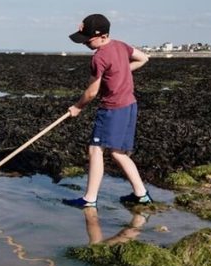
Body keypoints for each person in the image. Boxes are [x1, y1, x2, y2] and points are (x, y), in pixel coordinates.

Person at [63, 14, 151, 208]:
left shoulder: (99, 57)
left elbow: (92, 92)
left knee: (95, 149)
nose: (85, 42)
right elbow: (143, 58)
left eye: (88, 39)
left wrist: (77, 107)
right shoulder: (121, 46)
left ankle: (89, 199)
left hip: (113, 108)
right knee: (119, 153)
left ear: (102, 36)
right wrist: (119, 73)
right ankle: (141, 195)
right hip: (130, 105)